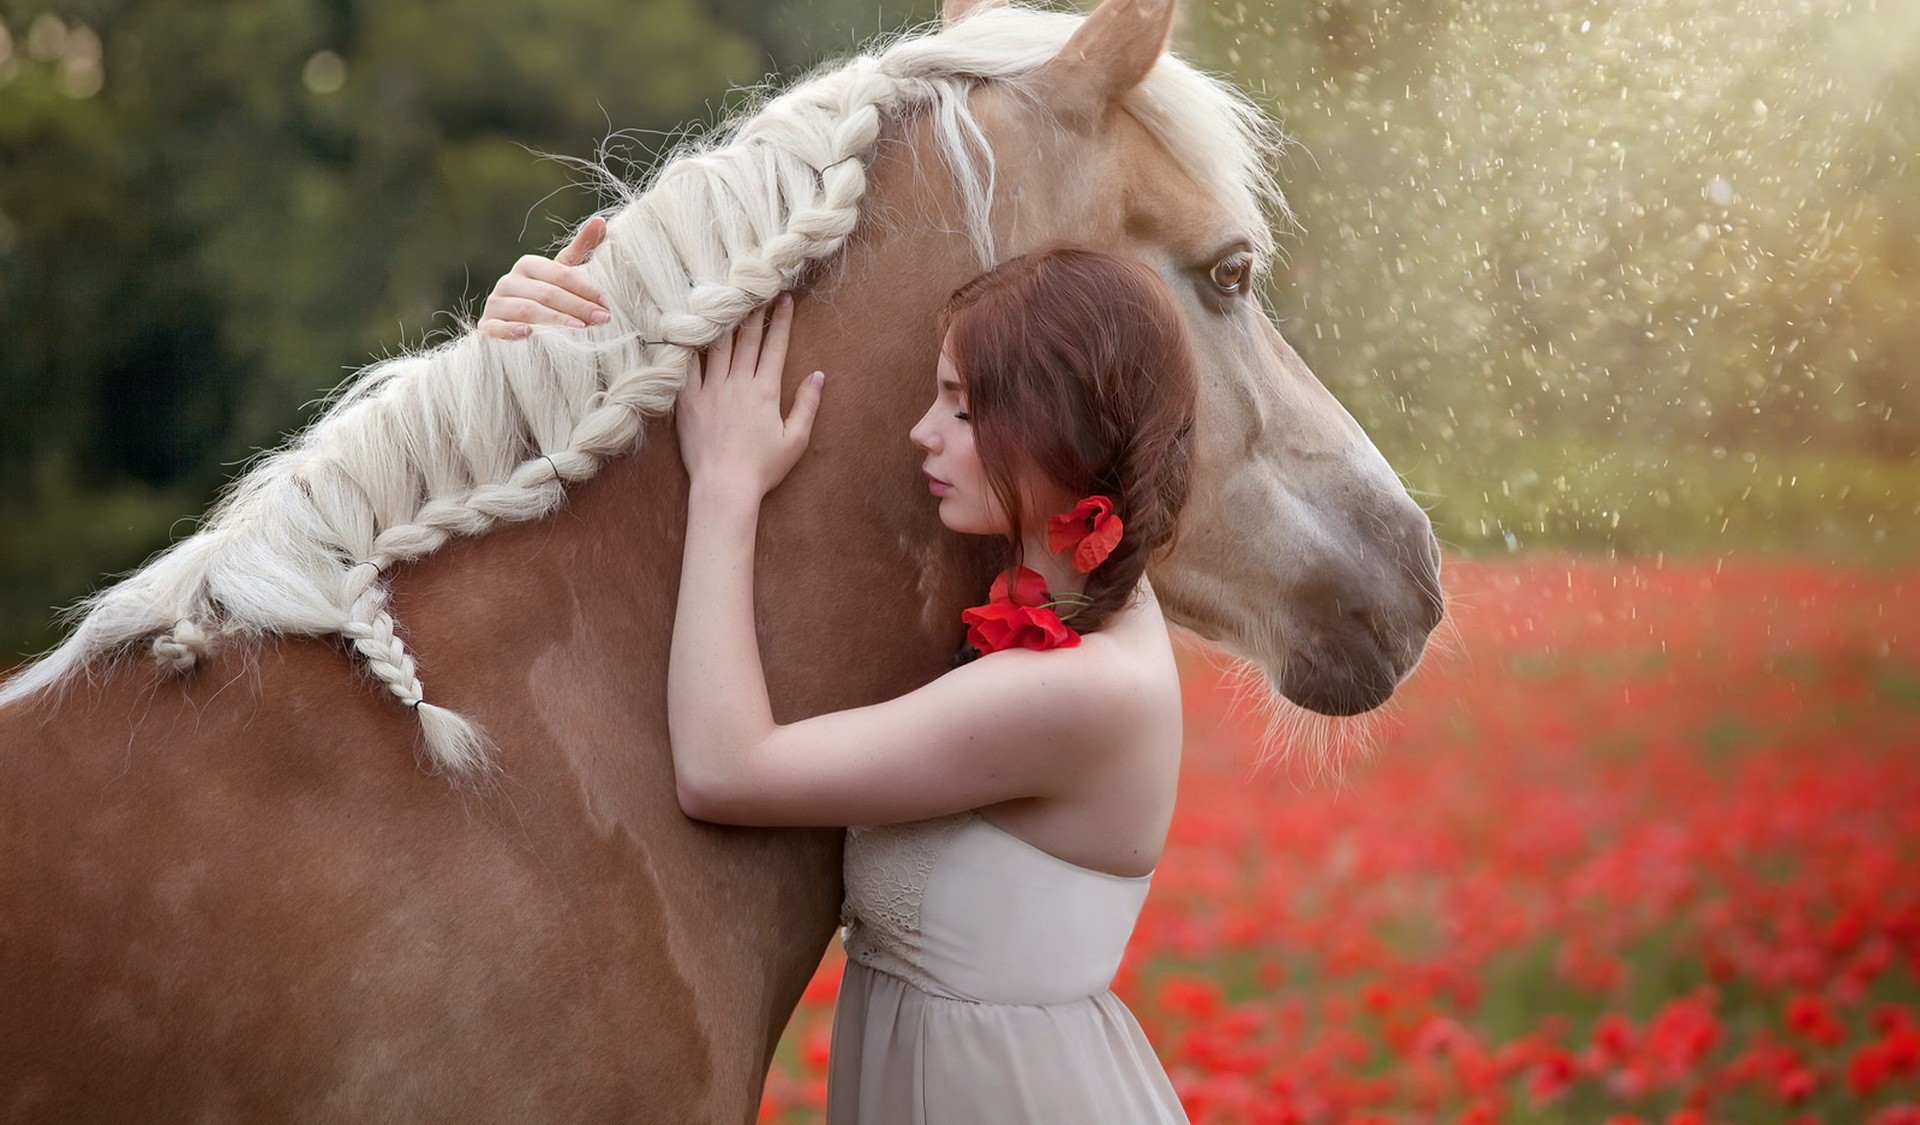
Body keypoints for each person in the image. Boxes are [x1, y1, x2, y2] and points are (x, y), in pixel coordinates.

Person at [480, 223, 1197, 1123]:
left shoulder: (1079, 690)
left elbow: (723, 768)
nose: (921, 432)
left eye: (965, 409)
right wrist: (521, 357)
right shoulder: (1082, 601)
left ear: (1066, 431)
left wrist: (728, 486)